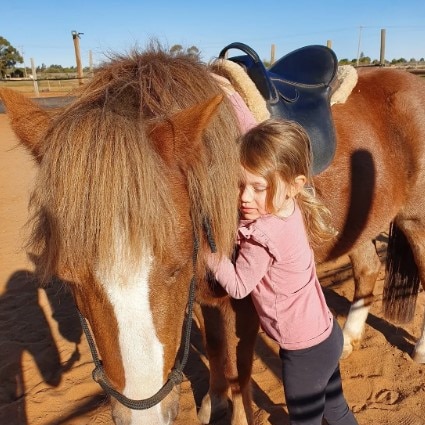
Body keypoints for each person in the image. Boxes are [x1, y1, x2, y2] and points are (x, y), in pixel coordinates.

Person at [207, 119, 358, 425]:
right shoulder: (288, 207)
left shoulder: (262, 237)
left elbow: (238, 286)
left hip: (303, 354)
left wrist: (207, 254)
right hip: (328, 335)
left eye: (257, 187)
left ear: (294, 184)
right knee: (336, 409)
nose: (245, 197)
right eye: (239, 184)